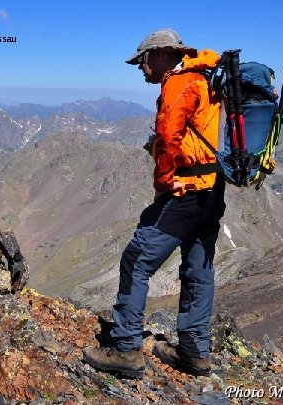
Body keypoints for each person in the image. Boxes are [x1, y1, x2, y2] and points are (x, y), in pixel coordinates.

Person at [83, 28, 226, 378]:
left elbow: (169, 136)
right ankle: (194, 353)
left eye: (142, 61)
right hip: (212, 188)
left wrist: (163, 184)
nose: (141, 69)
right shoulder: (204, 76)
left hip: (187, 191)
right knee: (198, 266)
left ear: (160, 54)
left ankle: (127, 349)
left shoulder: (179, 82)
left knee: (136, 259)